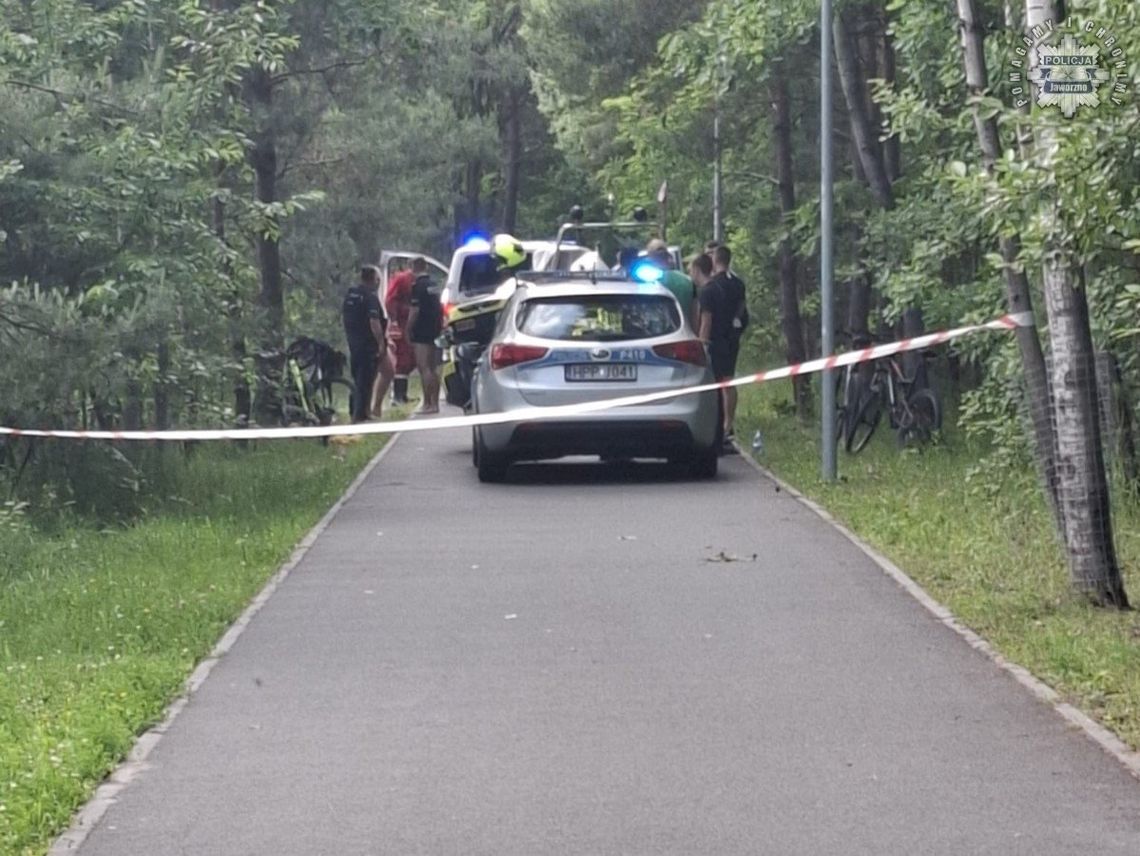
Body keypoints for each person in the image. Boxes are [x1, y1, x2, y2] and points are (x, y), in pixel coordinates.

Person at [699, 244, 748, 448]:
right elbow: (743, 308)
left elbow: (707, 320)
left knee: (717, 382)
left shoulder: (711, 287)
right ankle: (729, 422)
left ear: (715, 260)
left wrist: (702, 343)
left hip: (715, 340)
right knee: (728, 380)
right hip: (732, 337)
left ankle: (720, 424)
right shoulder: (738, 283)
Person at [342, 266, 393, 424]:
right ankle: (360, 415)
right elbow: (374, 322)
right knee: (365, 379)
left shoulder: (351, 293)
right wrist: (380, 343)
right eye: (378, 279)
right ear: (373, 279)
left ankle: (363, 411)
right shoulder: (370, 296)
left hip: (354, 342)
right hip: (368, 344)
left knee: (359, 378)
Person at [406, 257, 443, 414]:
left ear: (414, 267)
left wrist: (408, 328)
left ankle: (427, 403)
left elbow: (415, 310)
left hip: (421, 330)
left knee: (424, 367)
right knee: (434, 368)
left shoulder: (417, 287)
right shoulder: (434, 284)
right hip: (435, 328)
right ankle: (435, 403)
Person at [383, 262, 417, 406]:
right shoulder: (402, 279)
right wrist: (394, 320)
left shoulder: (415, 280)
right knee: (402, 360)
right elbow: (390, 300)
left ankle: (401, 394)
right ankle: (397, 396)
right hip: (402, 323)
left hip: (412, 323)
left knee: (411, 360)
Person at [645, 238, 698, 327]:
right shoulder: (687, 281)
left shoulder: (649, 283)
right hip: (686, 333)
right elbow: (695, 314)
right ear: (668, 257)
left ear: (651, 259)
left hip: (659, 336)